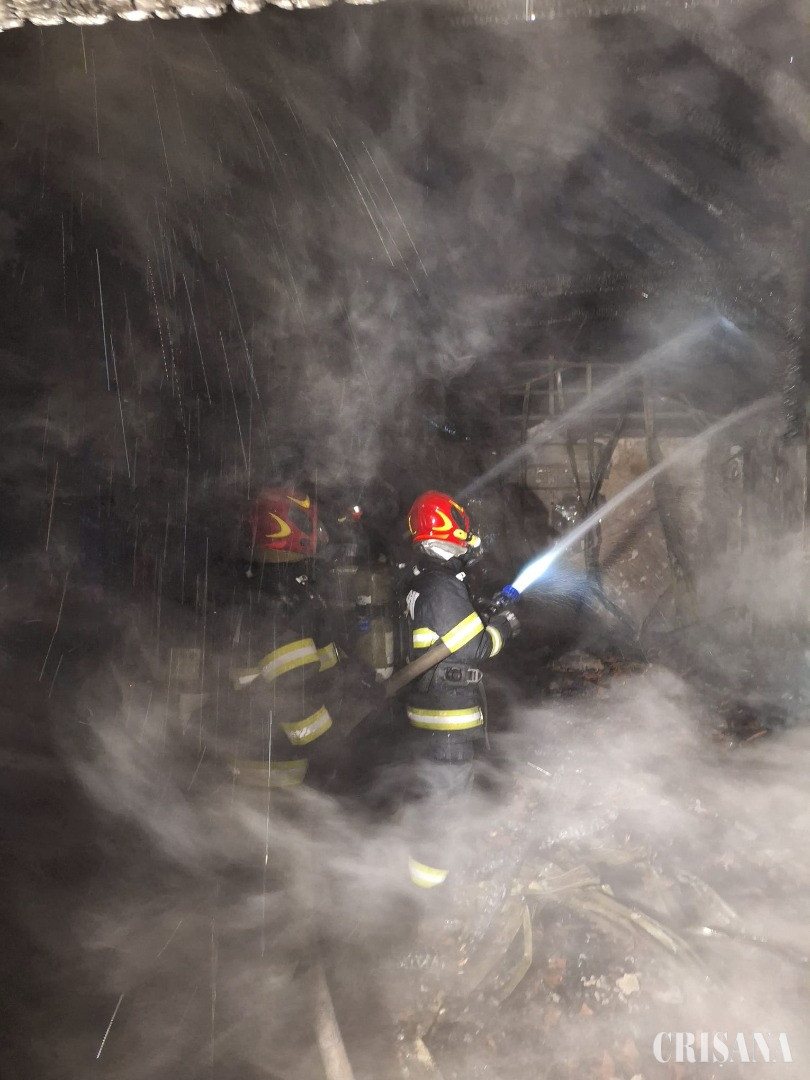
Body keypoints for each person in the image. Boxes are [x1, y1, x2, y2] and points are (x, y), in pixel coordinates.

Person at [402, 490, 519, 890]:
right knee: (446, 801)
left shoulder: (428, 583)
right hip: (447, 718)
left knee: (436, 794)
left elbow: (452, 634)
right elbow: (476, 648)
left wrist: (484, 611)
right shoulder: (442, 586)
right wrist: (505, 626)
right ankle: (434, 890)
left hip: (433, 713)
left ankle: (428, 880)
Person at [222, 486, 356, 792]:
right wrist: (334, 746)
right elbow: (295, 698)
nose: (320, 534)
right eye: (313, 524)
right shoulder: (281, 597)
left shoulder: (269, 583)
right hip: (277, 768)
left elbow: (317, 658)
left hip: (263, 756)